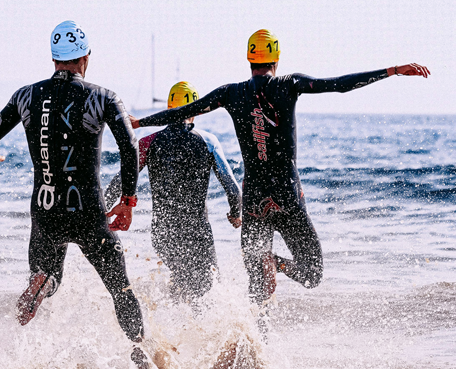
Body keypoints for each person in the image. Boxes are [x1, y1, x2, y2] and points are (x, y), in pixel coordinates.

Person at [132, 29, 430, 305]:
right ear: (275, 58)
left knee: (257, 293)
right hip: (287, 197)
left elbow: (187, 110)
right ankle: (276, 262)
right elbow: (339, 85)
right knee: (312, 274)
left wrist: (140, 122)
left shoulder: (230, 93)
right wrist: (391, 71)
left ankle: (250, 349)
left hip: (254, 203)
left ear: (250, 59)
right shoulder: (290, 84)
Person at [0, 20, 151, 369]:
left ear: (54, 59)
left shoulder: (26, 96)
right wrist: (128, 200)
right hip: (89, 211)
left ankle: (42, 283)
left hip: (45, 210)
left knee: (49, 275)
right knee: (121, 290)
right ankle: (144, 362)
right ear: (85, 58)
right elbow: (130, 149)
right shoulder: (102, 97)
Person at [104, 81, 242, 302]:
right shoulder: (209, 142)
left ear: (168, 108)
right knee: (207, 288)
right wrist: (236, 214)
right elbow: (233, 190)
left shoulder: (149, 142)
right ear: (196, 111)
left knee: (182, 280)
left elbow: (120, 182)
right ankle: (188, 332)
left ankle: (166, 328)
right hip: (197, 232)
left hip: (162, 232)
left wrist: (103, 211)